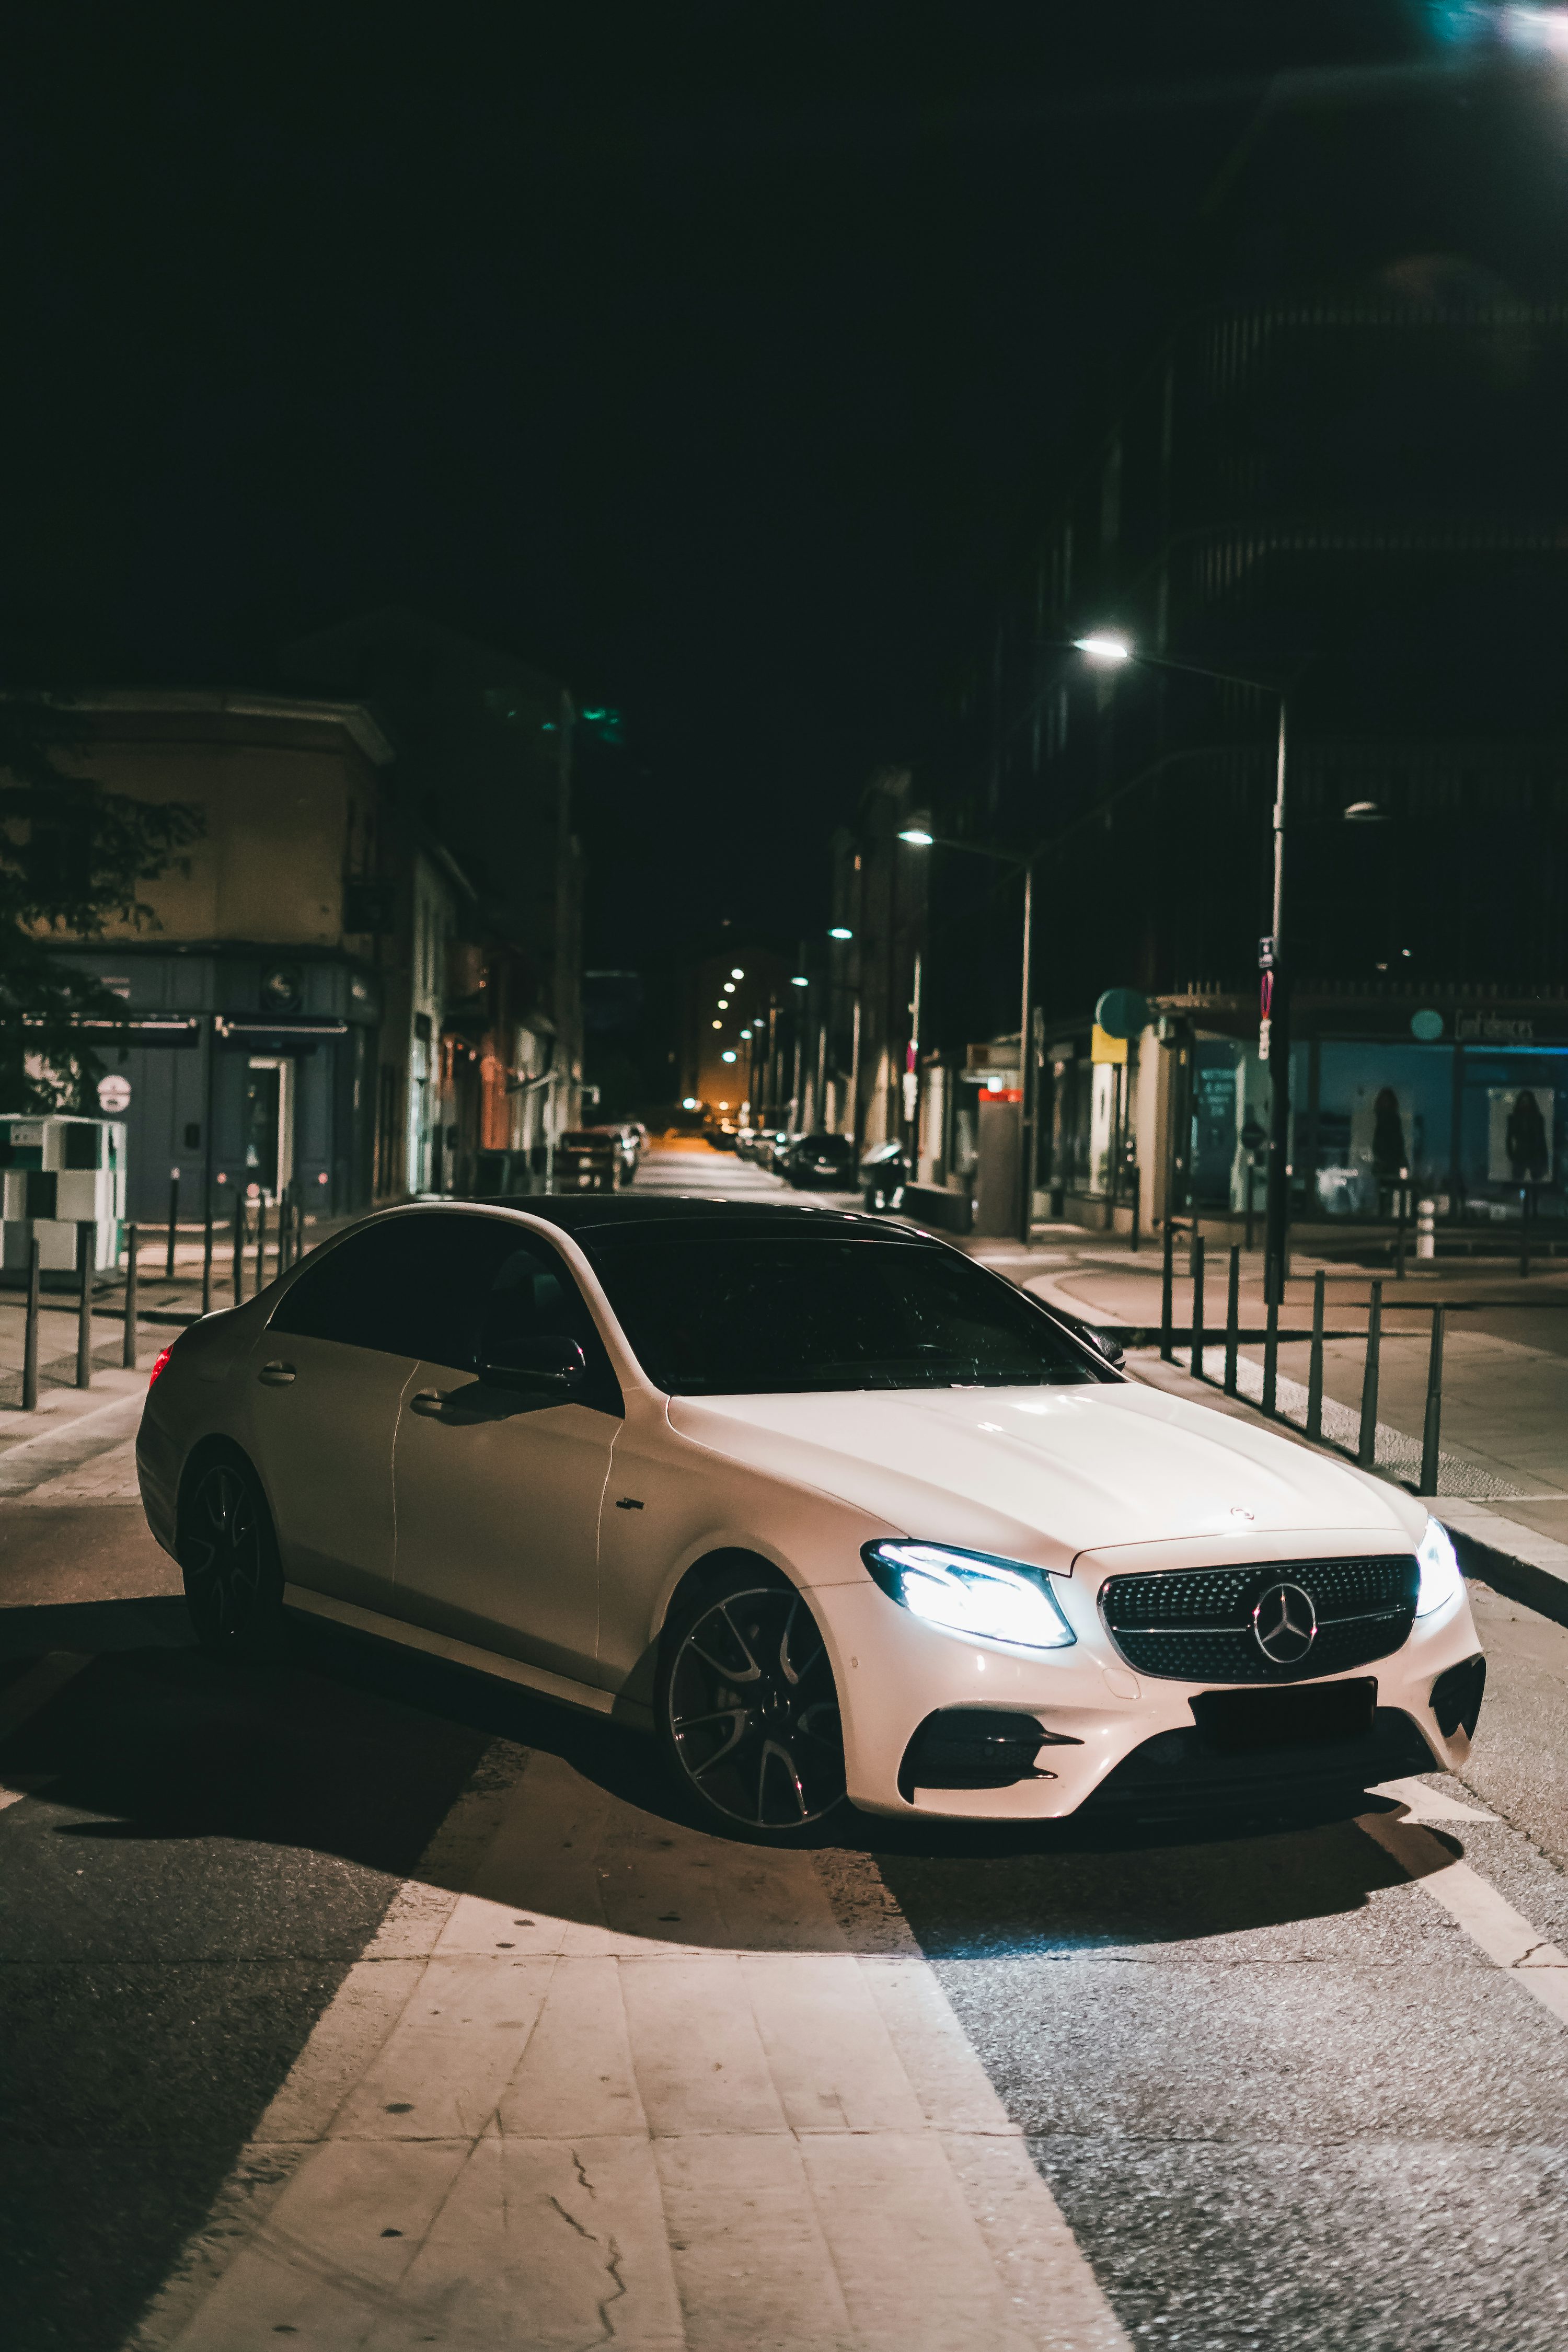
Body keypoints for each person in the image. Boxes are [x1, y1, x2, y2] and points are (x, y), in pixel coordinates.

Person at [1506, 1089, 1549, 1185]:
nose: (1525, 1104)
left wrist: (1544, 1159)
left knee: (1536, 1182)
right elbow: (1509, 1138)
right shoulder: (1514, 1119)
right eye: (1523, 1101)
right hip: (1520, 1154)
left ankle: (1532, 1198)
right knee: (1518, 1182)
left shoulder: (1538, 1119)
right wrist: (1511, 1155)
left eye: (1528, 1101)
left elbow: (1542, 1139)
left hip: (1535, 1154)